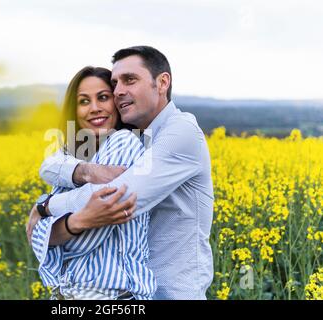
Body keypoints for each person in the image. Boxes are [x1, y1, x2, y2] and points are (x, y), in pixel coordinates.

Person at [27, 46, 215, 300]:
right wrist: (83, 171)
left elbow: (113, 199)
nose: (119, 92)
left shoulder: (179, 132)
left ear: (162, 82)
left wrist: (45, 207)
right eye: (115, 84)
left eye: (130, 80)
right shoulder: (123, 142)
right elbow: (51, 165)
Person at [30, 66, 157, 300]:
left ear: (117, 102)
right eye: (84, 101)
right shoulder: (74, 157)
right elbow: (36, 237)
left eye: (103, 97)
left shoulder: (125, 142)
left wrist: (46, 210)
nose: (95, 108)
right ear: (74, 110)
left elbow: (73, 245)